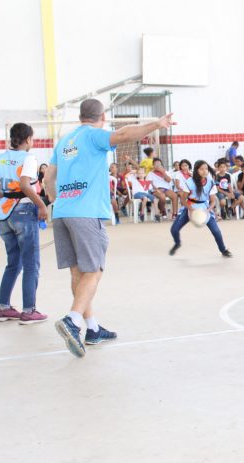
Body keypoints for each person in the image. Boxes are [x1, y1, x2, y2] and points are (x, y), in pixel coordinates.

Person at [44, 98, 174, 358]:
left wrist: (56, 203)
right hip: (86, 213)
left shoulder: (65, 141)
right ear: (102, 116)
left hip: (63, 212)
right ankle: (73, 320)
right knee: (94, 271)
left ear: (81, 115)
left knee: (79, 273)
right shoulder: (94, 136)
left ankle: (92, 329)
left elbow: (48, 179)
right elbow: (124, 134)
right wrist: (157, 124)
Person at [0, 123, 48, 324]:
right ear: (27, 140)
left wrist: (1, 194)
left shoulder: (1, 157)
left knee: (13, 263)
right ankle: (29, 310)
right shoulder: (29, 158)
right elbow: (25, 184)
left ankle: (4, 307)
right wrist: (41, 205)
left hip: (4, 214)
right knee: (31, 264)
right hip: (24, 212)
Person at [169, 160, 232, 257]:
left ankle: (223, 249)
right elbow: (183, 200)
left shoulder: (210, 182)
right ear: (196, 170)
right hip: (190, 207)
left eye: (206, 169)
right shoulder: (189, 182)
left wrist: (208, 210)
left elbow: (212, 201)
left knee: (216, 231)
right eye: (201, 169)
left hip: (204, 207)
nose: (204, 171)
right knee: (174, 229)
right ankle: (177, 243)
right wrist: (191, 209)